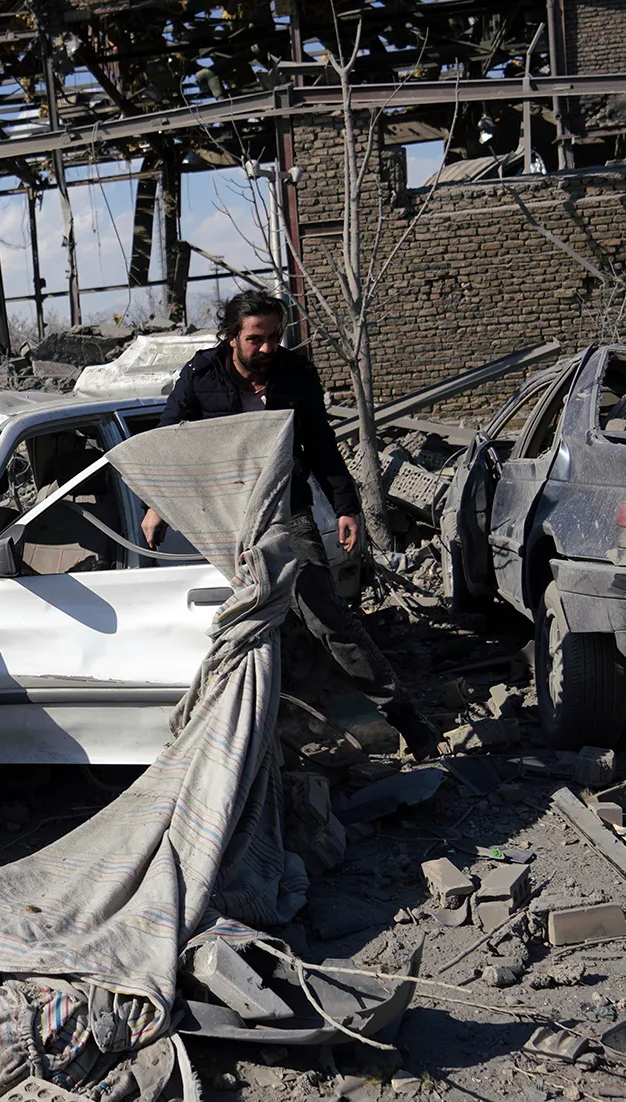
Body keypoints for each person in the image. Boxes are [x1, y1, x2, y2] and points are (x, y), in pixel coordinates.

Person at [143, 288, 438, 754]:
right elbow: (167, 442)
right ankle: (246, 740)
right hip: (225, 517)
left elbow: (320, 443)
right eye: (255, 339)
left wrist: (346, 507)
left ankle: (406, 720)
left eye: (274, 337)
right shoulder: (201, 375)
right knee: (246, 625)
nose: (267, 348)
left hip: (286, 510)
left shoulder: (296, 374)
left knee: (326, 615)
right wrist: (158, 505)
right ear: (232, 337)